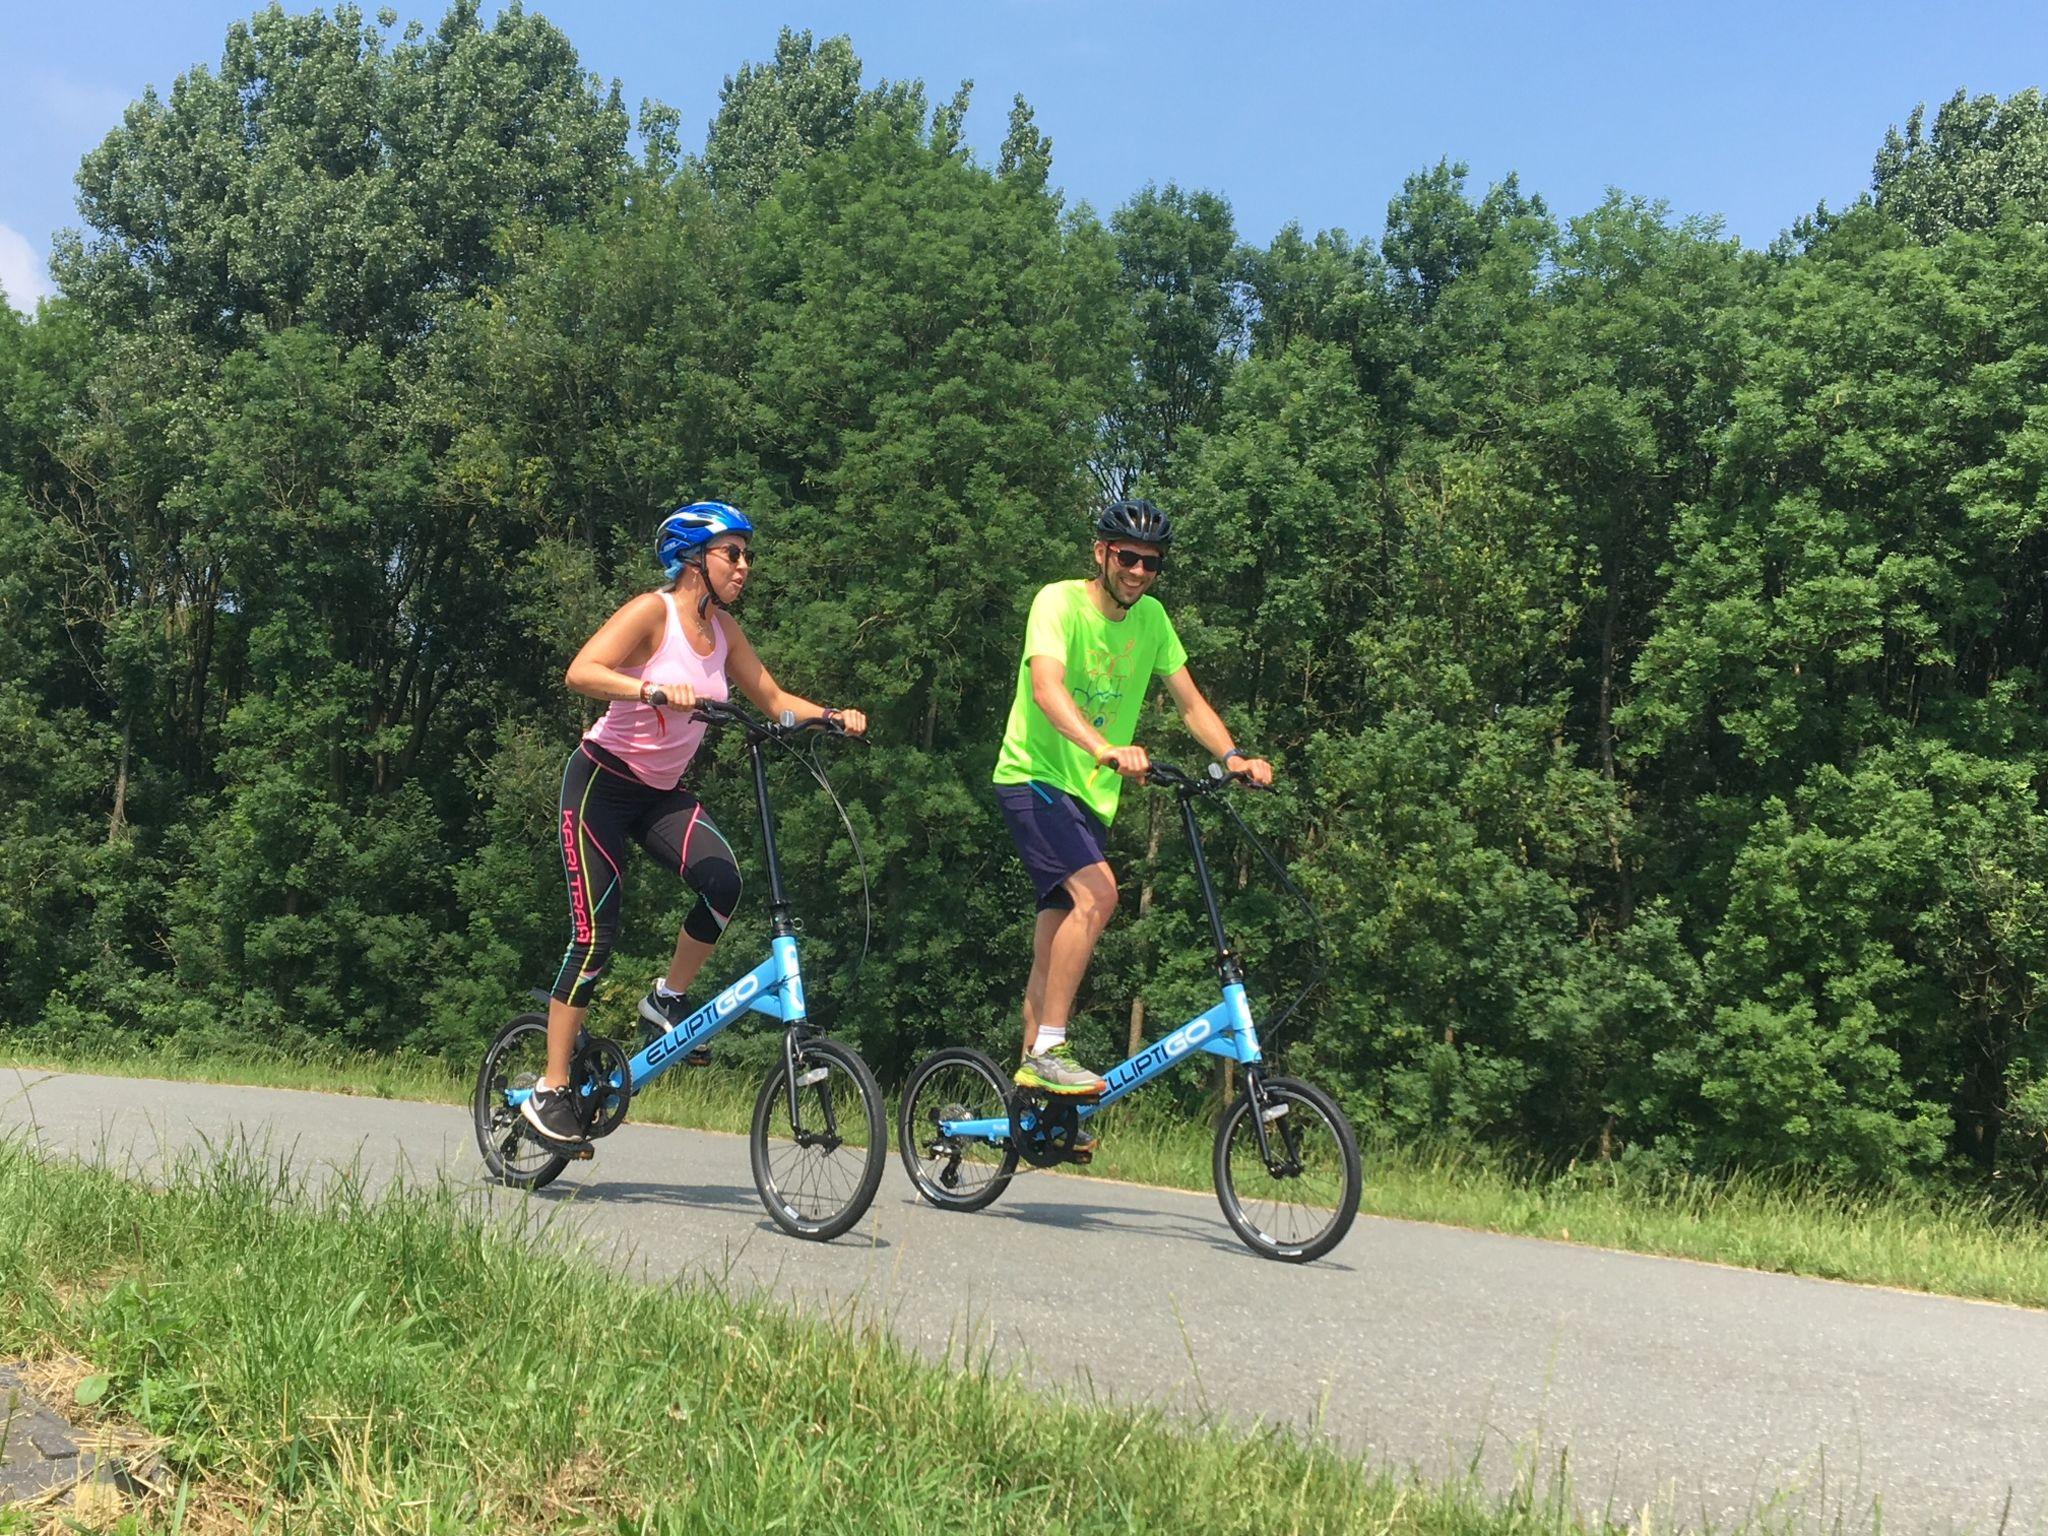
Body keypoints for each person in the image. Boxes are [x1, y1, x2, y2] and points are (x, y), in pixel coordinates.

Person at [521, 501, 867, 1146]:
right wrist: (650, 690)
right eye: (731, 553)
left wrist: (830, 714)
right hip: (600, 784)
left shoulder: (726, 632)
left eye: (746, 554)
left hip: (659, 793)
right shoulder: (652, 612)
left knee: (723, 883)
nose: (744, 565)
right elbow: (582, 672)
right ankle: (551, 1085)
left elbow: (772, 700)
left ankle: (666, 998)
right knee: (596, 934)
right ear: (693, 558)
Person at [992, 498, 1274, 1098]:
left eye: (1151, 562)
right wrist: (1103, 747)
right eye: (1127, 557)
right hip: (1033, 776)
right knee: (1100, 894)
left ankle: (1030, 1111)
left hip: (1091, 800)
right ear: (1101, 553)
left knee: (1052, 949)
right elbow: (1045, 689)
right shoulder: (1057, 602)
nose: (1138, 572)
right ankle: (1048, 1051)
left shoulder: (1152, 621)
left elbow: (1191, 703)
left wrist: (1232, 759)